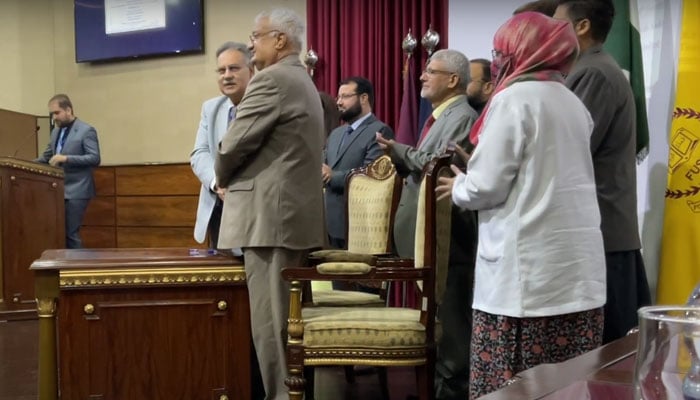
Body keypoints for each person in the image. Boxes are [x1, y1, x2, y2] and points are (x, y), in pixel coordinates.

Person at [436, 12, 606, 399]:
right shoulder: (571, 100)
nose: (497, 61)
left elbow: (488, 186)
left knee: (512, 389)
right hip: (575, 275)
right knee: (566, 385)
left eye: (501, 52)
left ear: (520, 52)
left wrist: (460, 185)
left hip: (525, 281)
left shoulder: (513, 99)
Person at [214, 8, 325, 400]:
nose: (250, 43)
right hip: (286, 220)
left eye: (256, 36)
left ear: (280, 40)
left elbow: (231, 146)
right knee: (288, 328)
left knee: (273, 328)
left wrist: (221, 177)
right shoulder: (300, 78)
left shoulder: (273, 80)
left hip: (270, 222)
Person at [377, 49, 478, 400]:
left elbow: (436, 164)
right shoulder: (439, 116)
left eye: (430, 71)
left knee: (451, 322)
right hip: (429, 235)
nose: (421, 76)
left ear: (453, 80)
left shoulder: (461, 115)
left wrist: (398, 150)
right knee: (439, 319)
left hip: (449, 237)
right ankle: (437, 386)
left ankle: (451, 390)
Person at [553, 0, 651, 344]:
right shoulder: (592, 68)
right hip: (603, 233)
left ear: (581, 27)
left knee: (606, 355)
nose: (551, 31)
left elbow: (569, 149)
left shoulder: (592, 72)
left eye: (557, 22)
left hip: (602, 234)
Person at [190, 42, 254, 250]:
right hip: (217, 207)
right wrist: (218, 183)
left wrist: (234, 188)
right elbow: (199, 153)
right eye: (221, 70)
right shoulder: (211, 107)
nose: (227, 75)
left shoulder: (263, 105)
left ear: (251, 71)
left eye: (234, 68)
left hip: (252, 210)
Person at [323, 76, 395, 249]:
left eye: (345, 97)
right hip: (329, 224)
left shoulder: (379, 130)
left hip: (359, 223)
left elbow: (373, 176)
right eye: (338, 97)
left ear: (364, 98)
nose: (339, 102)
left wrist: (333, 176)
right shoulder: (336, 134)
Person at [36, 94, 100, 249]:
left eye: (57, 113)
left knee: (70, 233)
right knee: (58, 232)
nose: (54, 118)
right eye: (52, 114)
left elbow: (94, 158)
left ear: (68, 110)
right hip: (57, 190)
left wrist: (66, 158)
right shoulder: (55, 133)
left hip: (78, 190)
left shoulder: (86, 130)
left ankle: (76, 270)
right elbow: (46, 157)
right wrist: (19, 163)